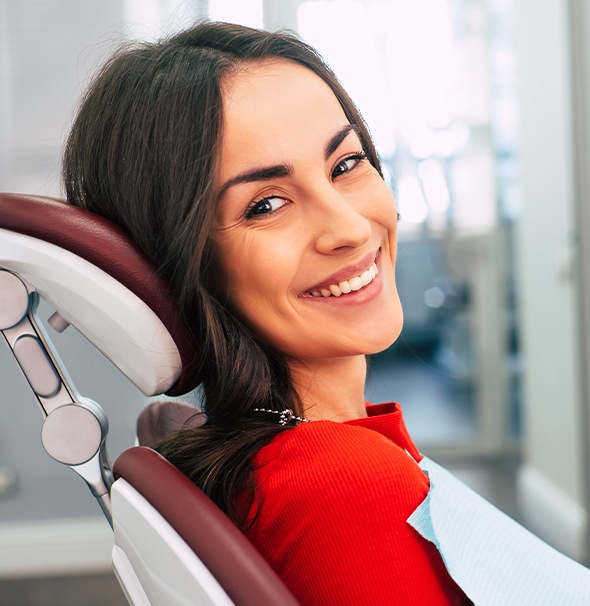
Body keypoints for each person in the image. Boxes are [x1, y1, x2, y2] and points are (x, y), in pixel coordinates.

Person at [62, 21, 589, 606]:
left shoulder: (311, 458)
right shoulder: (341, 485)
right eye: (266, 205)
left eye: (345, 164)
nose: (349, 227)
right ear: (178, 262)